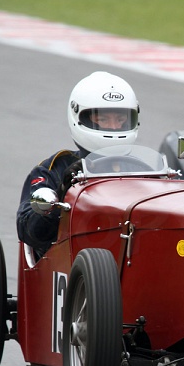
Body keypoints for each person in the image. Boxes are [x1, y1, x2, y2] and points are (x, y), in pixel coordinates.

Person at [16, 71, 140, 256]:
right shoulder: (54, 169)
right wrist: (62, 194)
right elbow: (30, 233)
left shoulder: (144, 170)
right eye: (103, 119)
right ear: (79, 117)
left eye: (121, 119)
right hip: (74, 263)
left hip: (132, 258)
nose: (114, 127)